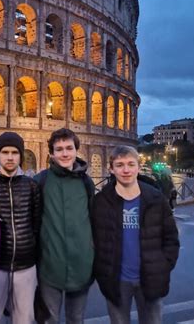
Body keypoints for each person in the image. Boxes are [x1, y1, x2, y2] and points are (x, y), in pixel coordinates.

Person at [92, 146, 179, 324]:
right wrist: (101, 270)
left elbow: (171, 238)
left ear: (138, 167)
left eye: (131, 164)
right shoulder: (100, 201)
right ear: (111, 169)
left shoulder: (155, 198)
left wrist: (163, 266)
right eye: (120, 165)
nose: (126, 170)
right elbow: (93, 239)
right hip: (115, 280)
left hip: (150, 278)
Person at [34, 128, 95, 324]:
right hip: (50, 265)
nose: (65, 153)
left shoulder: (86, 182)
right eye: (59, 149)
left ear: (77, 150)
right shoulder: (40, 181)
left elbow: (93, 220)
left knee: (76, 319)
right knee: (49, 319)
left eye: (69, 148)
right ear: (51, 153)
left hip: (81, 264)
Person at [0, 132, 41, 324]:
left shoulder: (31, 186)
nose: (10, 157)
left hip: (25, 264)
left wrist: (32, 249)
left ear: (21, 156)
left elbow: (36, 223)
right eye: (5, 152)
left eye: (15, 152)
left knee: (23, 318)